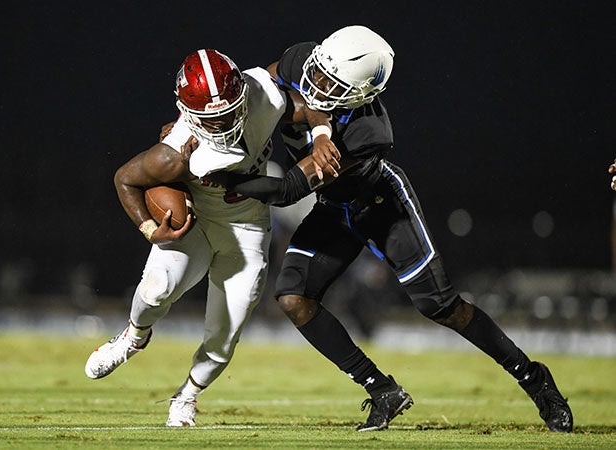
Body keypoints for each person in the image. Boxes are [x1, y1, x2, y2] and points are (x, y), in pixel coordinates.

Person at [201, 25, 574, 432]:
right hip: (334, 206)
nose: (317, 82)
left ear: (362, 94)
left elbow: (288, 190)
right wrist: (193, 132)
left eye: (331, 82)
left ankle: (535, 379)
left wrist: (220, 178)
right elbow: (256, 91)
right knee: (293, 297)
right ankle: (382, 389)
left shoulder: (367, 134)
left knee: (442, 307)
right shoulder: (304, 59)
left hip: (379, 204)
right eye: (319, 71)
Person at [84, 49, 290, 427]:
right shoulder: (175, 151)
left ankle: (186, 397)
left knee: (225, 334)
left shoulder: (265, 93)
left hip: (247, 227)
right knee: (156, 288)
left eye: (230, 110)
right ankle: (134, 336)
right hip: (194, 220)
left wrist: (323, 129)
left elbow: (296, 64)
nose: (225, 121)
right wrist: (149, 227)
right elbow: (125, 178)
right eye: (213, 117)